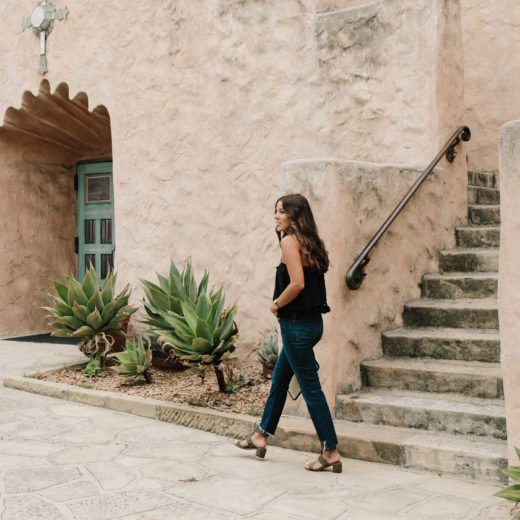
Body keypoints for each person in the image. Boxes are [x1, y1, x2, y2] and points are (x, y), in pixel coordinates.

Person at [235, 193, 342, 473]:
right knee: (280, 381)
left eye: (281, 211)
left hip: (296, 327)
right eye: (275, 211)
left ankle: (330, 449)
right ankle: (261, 435)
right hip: (312, 324)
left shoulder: (289, 242)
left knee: (311, 390)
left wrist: (276, 304)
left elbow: (297, 284)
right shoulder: (311, 242)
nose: (276, 216)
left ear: (294, 215)